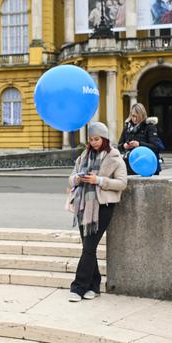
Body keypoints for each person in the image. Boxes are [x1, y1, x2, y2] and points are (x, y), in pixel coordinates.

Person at [66, 122, 127, 302]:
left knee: (89, 247)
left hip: (103, 207)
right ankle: (94, 286)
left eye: (97, 139)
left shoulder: (115, 157)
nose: (93, 142)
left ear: (105, 138)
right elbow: (71, 178)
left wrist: (99, 180)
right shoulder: (83, 156)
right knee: (88, 248)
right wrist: (78, 178)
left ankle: (78, 287)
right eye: (91, 139)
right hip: (83, 206)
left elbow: (122, 183)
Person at [117, 103, 163, 175]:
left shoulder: (149, 127)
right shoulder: (127, 128)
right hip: (130, 167)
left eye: (137, 116)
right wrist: (124, 146)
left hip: (148, 166)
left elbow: (156, 147)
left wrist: (139, 144)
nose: (135, 119)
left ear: (142, 115)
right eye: (133, 116)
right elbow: (119, 146)